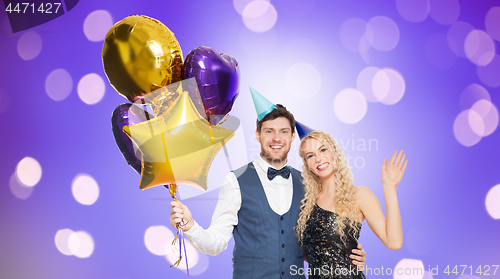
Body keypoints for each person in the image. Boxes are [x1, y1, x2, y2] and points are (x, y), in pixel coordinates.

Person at [170, 105, 367, 278]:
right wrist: (190, 226)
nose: (276, 138)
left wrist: (345, 254)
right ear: (258, 135)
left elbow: (315, 241)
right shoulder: (235, 181)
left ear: (291, 137)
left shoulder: (309, 185)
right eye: (269, 131)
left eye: (283, 132)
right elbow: (217, 244)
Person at [296, 131, 407, 279]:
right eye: (310, 155)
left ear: (334, 152)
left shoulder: (359, 195)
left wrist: (389, 187)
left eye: (323, 149)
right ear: (306, 164)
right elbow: (312, 252)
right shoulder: (307, 203)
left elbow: (394, 242)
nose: (318, 158)